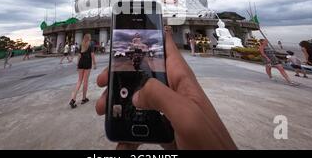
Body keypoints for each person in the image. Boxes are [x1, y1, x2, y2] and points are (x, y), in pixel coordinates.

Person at [95, 27, 237, 150]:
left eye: (138, 37)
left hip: (143, 69)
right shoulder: (134, 45)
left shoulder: (142, 46)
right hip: (136, 68)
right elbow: (131, 52)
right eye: (136, 37)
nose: (137, 39)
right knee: (130, 90)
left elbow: (146, 53)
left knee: (142, 87)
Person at [69, 34, 97, 108]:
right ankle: (84, 98)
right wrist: (94, 64)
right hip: (87, 63)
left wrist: (78, 64)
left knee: (79, 81)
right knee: (85, 81)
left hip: (81, 63)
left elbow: (79, 55)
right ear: (89, 38)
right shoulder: (91, 45)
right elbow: (92, 55)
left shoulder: (81, 45)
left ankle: (73, 99)